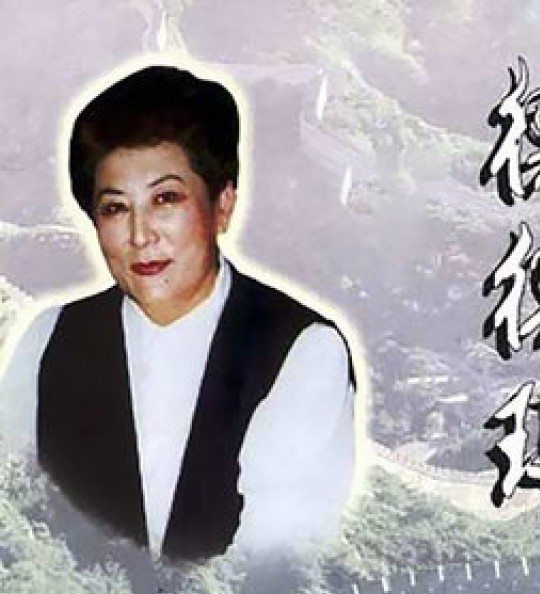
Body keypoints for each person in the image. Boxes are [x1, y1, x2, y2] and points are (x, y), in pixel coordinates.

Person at [0, 65, 357, 562]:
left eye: (166, 199)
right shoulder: (48, 338)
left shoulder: (303, 349)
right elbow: (12, 513)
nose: (140, 235)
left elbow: (275, 560)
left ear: (222, 205)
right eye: (115, 208)